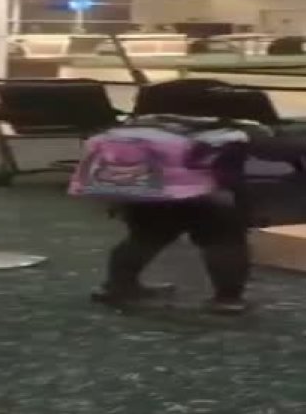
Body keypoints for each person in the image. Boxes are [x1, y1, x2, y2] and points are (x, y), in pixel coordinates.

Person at [75, 117, 257, 314]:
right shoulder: (230, 135)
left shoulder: (141, 127)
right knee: (224, 242)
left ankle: (118, 286)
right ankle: (227, 299)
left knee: (143, 238)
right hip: (201, 195)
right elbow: (228, 175)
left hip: (146, 190)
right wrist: (243, 207)